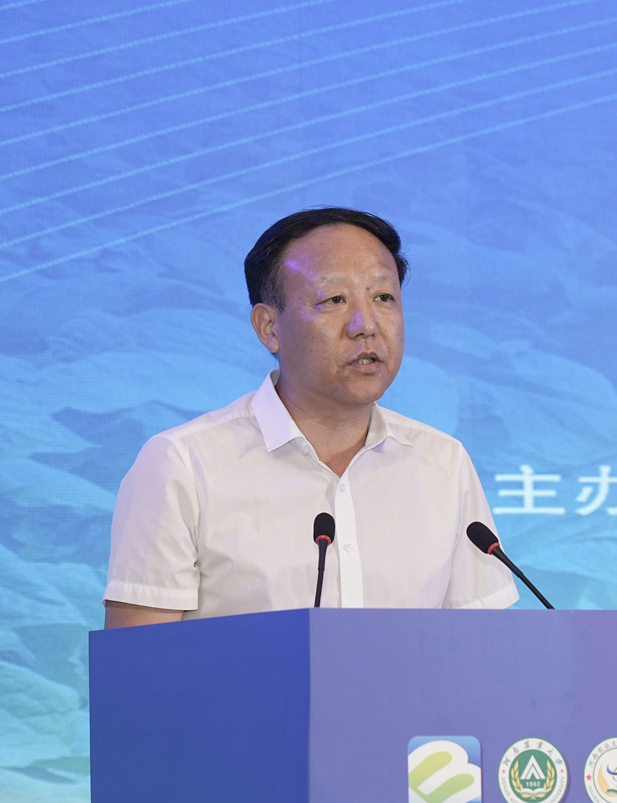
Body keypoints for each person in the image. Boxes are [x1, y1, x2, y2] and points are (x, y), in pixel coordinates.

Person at [103, 207, 518, 627]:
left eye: (383, 298)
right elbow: (137, 662)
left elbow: (481, 651)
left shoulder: (443, 462)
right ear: (269, 327)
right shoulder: (182, 464)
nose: (366, 325)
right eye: (335, 300)